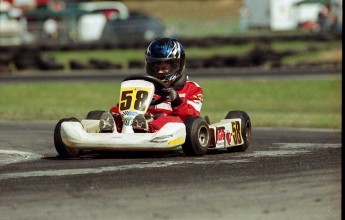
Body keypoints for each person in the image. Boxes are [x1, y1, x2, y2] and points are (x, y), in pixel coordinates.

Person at [99, 37, 204, 133]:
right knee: (115, 116)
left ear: (178, 65)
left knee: (170, 120)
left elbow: (193, 117)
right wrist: (116, 113)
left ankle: (148, 130)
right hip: (141, 122)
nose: (160, 72)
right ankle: (110, 128)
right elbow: (125, 108)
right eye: (156, 68)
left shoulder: (192, 88)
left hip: (173, 129)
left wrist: (177, 101)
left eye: (165, 68)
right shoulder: (144, 87)